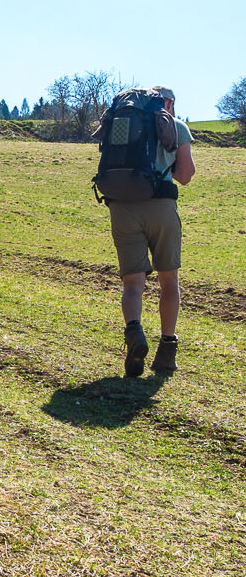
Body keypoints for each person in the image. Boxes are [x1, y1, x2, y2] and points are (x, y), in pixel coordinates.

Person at [109, 86, 195, 376]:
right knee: (169, 280)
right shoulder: (177, 126)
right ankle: (167, 353)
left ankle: (134, 334)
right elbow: (186, 175)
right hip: (160, 205)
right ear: (168, 102)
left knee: (132, 284)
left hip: (122, 206)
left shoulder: (119, 123)